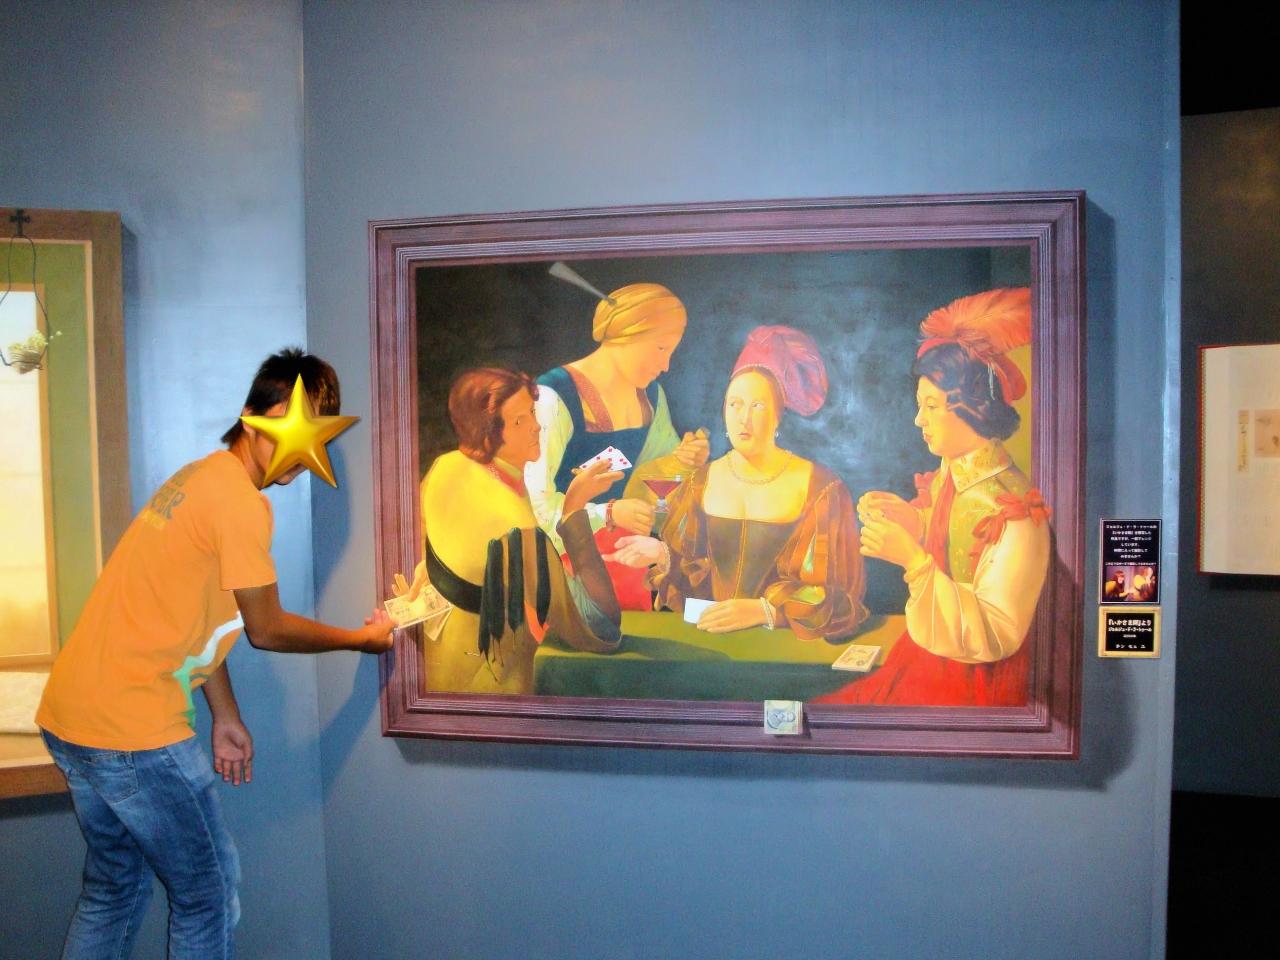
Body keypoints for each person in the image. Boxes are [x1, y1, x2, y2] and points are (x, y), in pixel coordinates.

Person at [35, 348, 394, 959]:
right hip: (132, 732)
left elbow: (196, 613)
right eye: (289, 426)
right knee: (207, 895)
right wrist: (361, 639)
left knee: (113, 889)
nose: (299, 449)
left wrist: (224, 714)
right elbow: (267, 629)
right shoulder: (238, 502)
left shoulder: (199, 478)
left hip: (73, 718)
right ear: (252, 417)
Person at [816, 287, 1051, 706]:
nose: (918, 420)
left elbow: (997, 633)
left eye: (930, 406)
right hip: (927, 656)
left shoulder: (1014, 513)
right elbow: (953, 542)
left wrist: (912, 559)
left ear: (971, 407)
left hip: (979, 682)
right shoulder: (951, 475)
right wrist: (912, 523)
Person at [606, 326, 868, 640]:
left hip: (786, 648)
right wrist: (662, 554)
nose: (744, 418)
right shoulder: (701, 482)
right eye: (735, 404)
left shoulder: (822, 489)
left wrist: (766, 611)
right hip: (713, 643)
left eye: (758, 406)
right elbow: (694, 579)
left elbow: (839, 598)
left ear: (778, 415)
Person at [404, 367, 625, 694]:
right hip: (489, 687)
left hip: (434, 670)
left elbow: (423, 541)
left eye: (532, 412)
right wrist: (574, 506)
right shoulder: (518, 525)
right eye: (520, 421)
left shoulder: (446, 466)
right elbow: (600, 623)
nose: (536, 426)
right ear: (488, 433)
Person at [528, 281, 710, 610]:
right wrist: (609, 513)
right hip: (562, 572)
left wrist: (684, 462)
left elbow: (659, 492)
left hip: (628, 567)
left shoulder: (651, 398)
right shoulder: (553, 397)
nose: (666, 365)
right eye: (661, 348)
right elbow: (535, 509)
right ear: (628, 334)